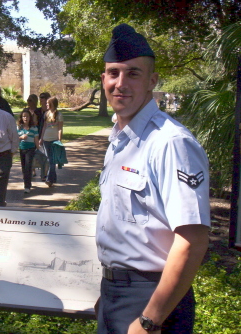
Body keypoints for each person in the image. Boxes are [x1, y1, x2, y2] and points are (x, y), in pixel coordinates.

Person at [96, 23, 210, 334]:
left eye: (133, 73)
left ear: (152, 81)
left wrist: (149, 320)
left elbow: (192, 240)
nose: (121, 83)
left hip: (154, 298)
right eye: (114, 73)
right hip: (114, 293)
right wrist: (108, 292)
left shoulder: (170, 143)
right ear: (104, 79)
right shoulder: (120, 139)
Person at [39, 96, 63, 187]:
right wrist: (41, 138)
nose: (47, 105)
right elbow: (44, 127)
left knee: (51, 160)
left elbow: (60, 129)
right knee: (49, 159)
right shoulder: (46, 114)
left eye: (48, 103)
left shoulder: (59, 115)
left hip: (54, 140)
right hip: (46, 139)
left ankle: (49, 179)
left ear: (53, 104)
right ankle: (53, 179)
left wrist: (59, 140)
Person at [17, 110, 39, 193]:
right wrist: (21, 137)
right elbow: (15, 138)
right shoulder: (19, 127)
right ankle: (27, 181)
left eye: (27, 116)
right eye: (23, 116)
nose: (25, 118)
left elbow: (36, 139)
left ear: (30, 118)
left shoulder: (34, 128)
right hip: (22, 149)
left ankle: (27, 186)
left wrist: (39, 149)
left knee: (28, 167)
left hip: (30, 149)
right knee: (24, 168)